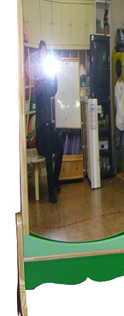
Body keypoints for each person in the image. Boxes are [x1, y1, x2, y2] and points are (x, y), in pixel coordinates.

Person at [33, 40, 63, 204]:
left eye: (46, 52)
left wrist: (54, 73)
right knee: (50, 145)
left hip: (49, 130)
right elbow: (40, 90)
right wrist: (45, 75)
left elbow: (53, 90)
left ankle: (55, 180)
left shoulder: (47, 79)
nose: (44, 55)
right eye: (42, 52)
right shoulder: (38, 78)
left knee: (60, 147)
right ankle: (51, 191)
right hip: (41, 134)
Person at [114, 57, 124, 178]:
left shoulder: (116, 87)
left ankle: (114, 170)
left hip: (118, 119)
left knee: (116, 146)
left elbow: (116, 103)